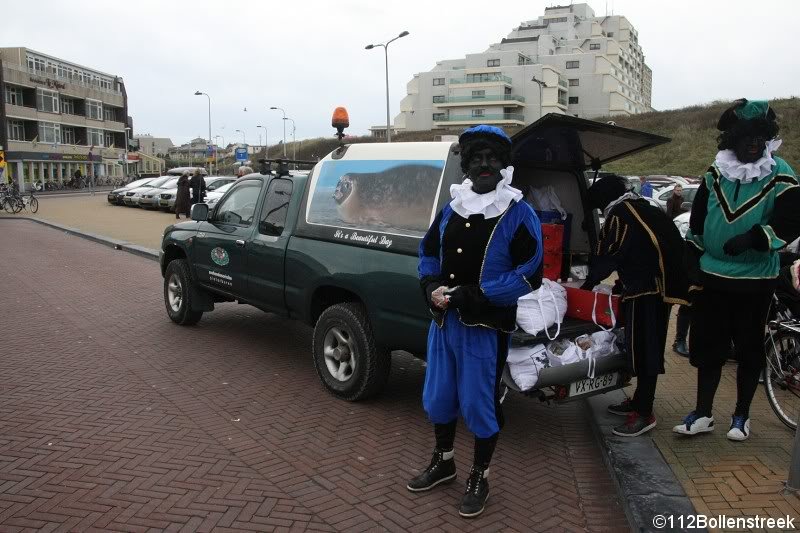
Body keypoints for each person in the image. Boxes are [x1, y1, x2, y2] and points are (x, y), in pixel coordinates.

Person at [409, 125, 543, 518]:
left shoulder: (520, 213)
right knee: (438, 397)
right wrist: (430, 284)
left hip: (484, 328)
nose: (485, 165)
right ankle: (444, 461)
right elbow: (427, 253)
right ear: (466, 166)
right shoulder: (452, 208)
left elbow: (529, 272)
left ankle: (480, 475)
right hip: (444, 323)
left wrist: (476, 295)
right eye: (477, 159)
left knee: (478, 403)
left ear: (504, 166)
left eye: (492, 159)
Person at [674, 99, 800, 441]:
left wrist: (756, 238)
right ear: (733, 139)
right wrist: (692, 258)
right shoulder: (716, 172)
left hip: (755, 280)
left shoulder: (780, 172)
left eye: (760, 137)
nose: (753, 144)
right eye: (746, 137)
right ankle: (702, 413)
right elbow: (698, 219)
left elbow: (791, 219)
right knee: (708, 348)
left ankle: (742, 416)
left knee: (748, 349)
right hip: (713, 277)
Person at [582, 175, 689, 437]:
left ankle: (644, 412)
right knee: (644, 346)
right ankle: (639, 400)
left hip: (645, 291)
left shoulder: (620, 214)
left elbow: (608, 254)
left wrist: (586, 286)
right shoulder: (643, 207)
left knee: (644, 348)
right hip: (660, 287)